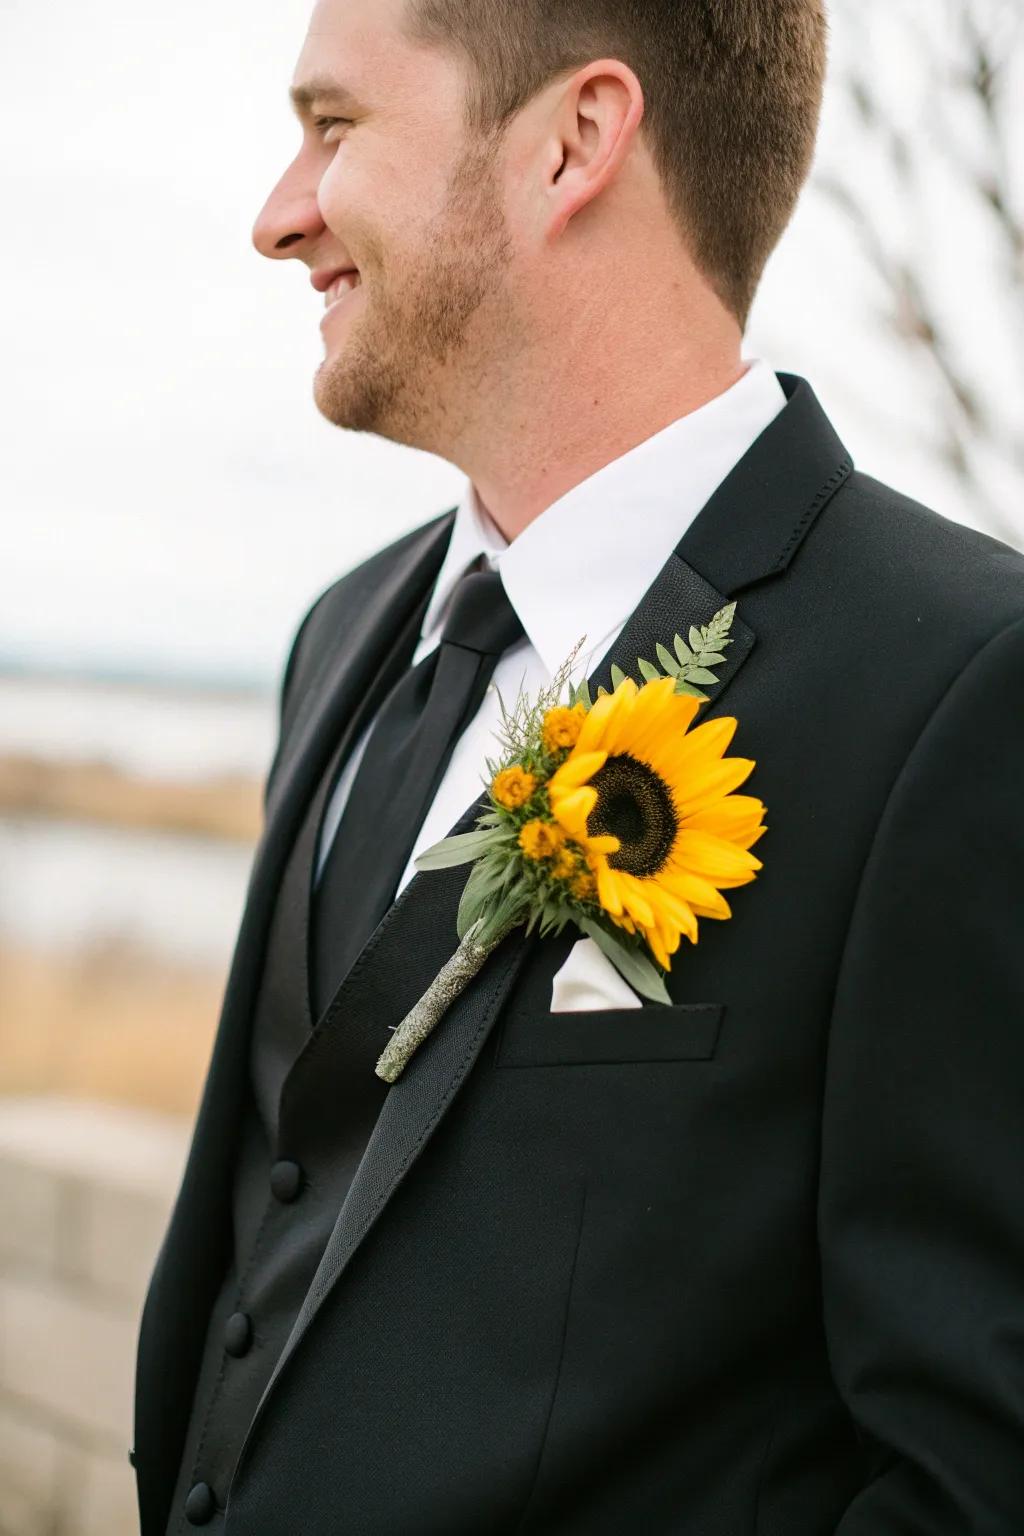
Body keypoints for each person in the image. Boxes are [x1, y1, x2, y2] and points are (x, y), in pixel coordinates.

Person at [132, 0, 1024, 1531]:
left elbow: (975, 1472)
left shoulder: (963, 688)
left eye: (335, 128)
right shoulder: (345, 636)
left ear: (575, 141)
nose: (280, 217)